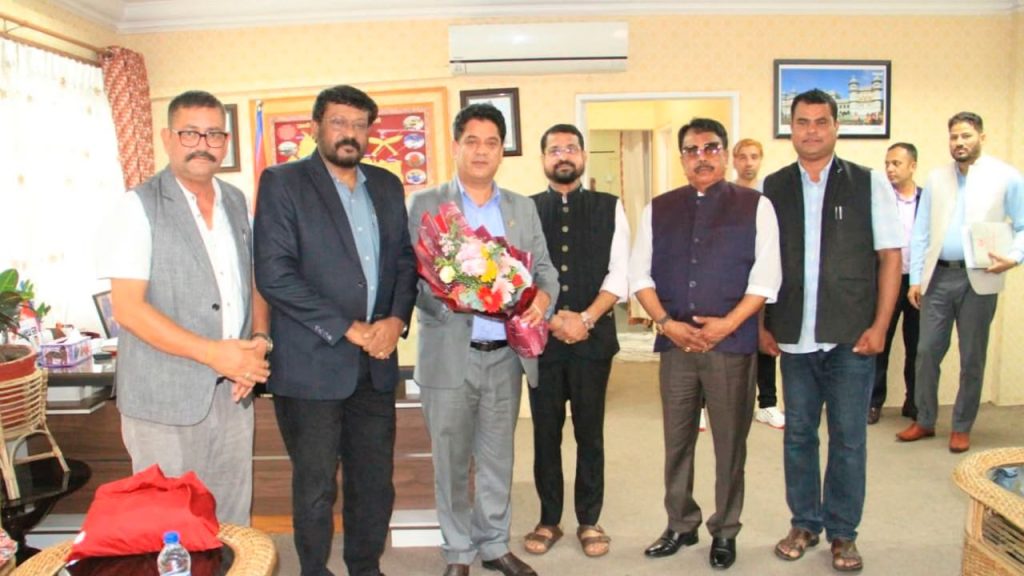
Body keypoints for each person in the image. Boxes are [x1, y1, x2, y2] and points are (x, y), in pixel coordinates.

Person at [254, 85, 418, 576]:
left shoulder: (386, 185)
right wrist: (347, 328)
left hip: (376, 364)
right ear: (315, 128)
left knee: (375, 481)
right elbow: (275, 274)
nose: (350, 133)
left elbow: (404, 261)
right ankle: (314, 569)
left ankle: (365, 567)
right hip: (311, 364)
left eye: (360, 125)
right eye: (339, 123)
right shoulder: (283, 182)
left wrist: (396, 319)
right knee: (316, 486)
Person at [98, 90, 271, 527]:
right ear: (167, 138)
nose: (202, 144)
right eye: (190, 133)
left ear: (225, 142)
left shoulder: (235, 201)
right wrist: (213, 353)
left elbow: (252, 282)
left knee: (231, 522)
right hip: (163, 400)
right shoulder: (137, 206)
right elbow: (128, 309)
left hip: (233, 393)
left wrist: (259, 341)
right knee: (170, 526)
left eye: (214, 135)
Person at [407, 103, 559, 576]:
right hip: (449, 356)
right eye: (471, 141)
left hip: (505, 358)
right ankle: (457, 551)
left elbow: (546, 271)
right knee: (451, 462)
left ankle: (494, 545)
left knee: (497, 458)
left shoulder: (521, 207)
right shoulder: (427, 205)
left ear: (501, 151)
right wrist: (453, 296)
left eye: (491, 142)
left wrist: (542, 300)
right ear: (456, 146)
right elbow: (409, 279)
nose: (481, 151)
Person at [761, 89, 902, 573]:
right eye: (803, 122)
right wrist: (763, 324)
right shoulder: (774, 186)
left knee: (848, 438)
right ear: (791, 128)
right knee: (798, 434)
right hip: (794, 335)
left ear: (836, 127)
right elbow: (761, 261)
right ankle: (804, 523)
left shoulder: (868, 182)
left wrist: (881, 326)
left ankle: (843, 533)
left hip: (851, 336)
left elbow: (890, 258)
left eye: (821, 121)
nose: (812, 131)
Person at [631, 118, 781, 570]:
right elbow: (639, 275)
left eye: (711, 148)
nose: (702, 157)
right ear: (682, 158)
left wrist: (727, 325)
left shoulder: (756, 206)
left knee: (730, 444)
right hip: (675, 346)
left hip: (730, 347)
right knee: (676, 441)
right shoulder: (658, 209)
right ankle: (680, 523)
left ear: (725, 153)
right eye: (692, 150)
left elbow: (766, 278)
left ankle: (726, 529)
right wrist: (665, 323)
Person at [523, 124, 630, 559]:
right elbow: (517, 276)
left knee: (590, 432)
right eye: (554, 150)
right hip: (541, 342)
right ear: (543, 159)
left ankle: (589, 519)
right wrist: (551, 321)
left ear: (583, 156)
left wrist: (585, 318)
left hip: (593, 341)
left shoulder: (610, 207)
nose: (563, 155)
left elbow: (620, 272)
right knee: (545, 434)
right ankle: (549, 518)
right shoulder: (526, 210)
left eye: (570, 148)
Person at [897, 112, 1024, 453]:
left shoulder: (1006, 177)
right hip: (938, 277)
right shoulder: (937, 178)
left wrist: (1014, 257)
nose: (959, 142)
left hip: (981, 278)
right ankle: (925, 419)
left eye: (966, 135)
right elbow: (921, 231)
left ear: (982, 136)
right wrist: (915, 278)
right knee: (926, 352)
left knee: (972, 357)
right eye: (954, 137)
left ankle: (962, 426)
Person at [732, 138, 785, 430]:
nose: (748, 162)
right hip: (733, 278)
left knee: (765, 339)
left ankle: (767, 404)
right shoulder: (725, 195)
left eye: (754, 156)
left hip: (764, 278)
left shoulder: (771, 195)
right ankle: (705, 404)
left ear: (761, 159)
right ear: (734, 160)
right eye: (743, 157)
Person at [869, 143, 922, 425]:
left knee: (918, 346)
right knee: (880, 341)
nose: (890, 169)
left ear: (912, 166)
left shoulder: (926, 200)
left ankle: (914, 402)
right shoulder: (879, 199)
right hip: (886, 280)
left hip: (918, 282)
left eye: (896, 163)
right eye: (887, 163)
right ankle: (873, 402)